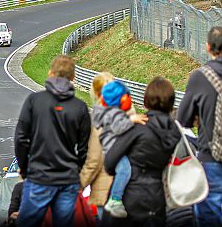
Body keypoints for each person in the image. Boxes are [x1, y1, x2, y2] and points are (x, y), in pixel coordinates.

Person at [15, 55, 91, 227]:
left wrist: (25, 167)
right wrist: (76, 169)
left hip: (39, 175)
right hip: (67, 178)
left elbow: (21, 138)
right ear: (73, 78)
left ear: (50, 73)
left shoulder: (35, 101)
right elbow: (84, 147)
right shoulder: (79, 107)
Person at [101, 77, 181, 227]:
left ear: (146, 101)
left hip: (128, 197)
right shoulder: (175, 132)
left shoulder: (138, 127)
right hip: (156, 198)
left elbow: (110, 162)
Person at [177, 26, 222, 227]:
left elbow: (183, 118)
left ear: (208, 47)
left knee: (210, 213)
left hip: (211, 155)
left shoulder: (200, 77)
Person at [92, 80, 148, 218]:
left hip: (109, 148)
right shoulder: (114, 114)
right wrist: (132, 119)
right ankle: (115, 199)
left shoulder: (105, 113)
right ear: (122, 99)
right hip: (112, 149)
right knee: (124, 170)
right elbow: (118, 128)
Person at [80, 72, 114, 222]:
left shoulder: (98, 121)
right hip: (133, 190)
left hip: (105, 189)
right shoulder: (130, 116)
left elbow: (94, 160)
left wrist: (79, 185)